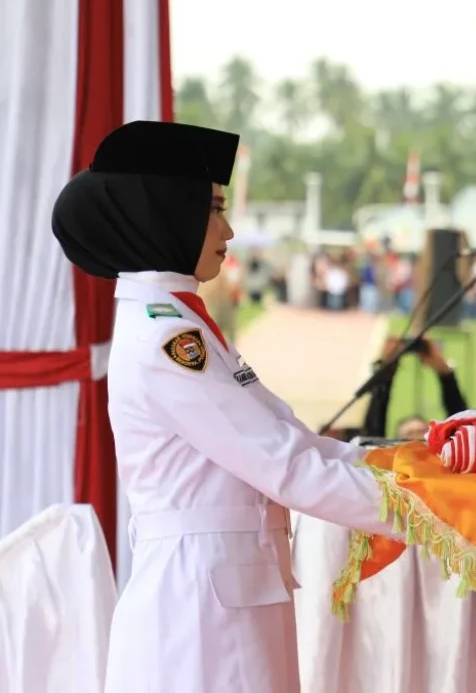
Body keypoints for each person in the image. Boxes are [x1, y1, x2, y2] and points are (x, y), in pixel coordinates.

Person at [51, 121, 394, 693]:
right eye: (212, 209)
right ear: (166, 212)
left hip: (220, 600)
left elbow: (289, 439)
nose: (228, 229)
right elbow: (284, 466)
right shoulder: (165, 339)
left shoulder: (179, 323)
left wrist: (402, 467)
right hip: (201, 619)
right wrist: (426, 508)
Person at [361, 336, 468, 439]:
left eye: (422, 432)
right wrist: (386, 374)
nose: (416, 438)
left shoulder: (439, 452)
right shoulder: (387, 452)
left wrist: (444, 371)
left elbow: (462, 429)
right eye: (409, 434)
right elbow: (373, 434)